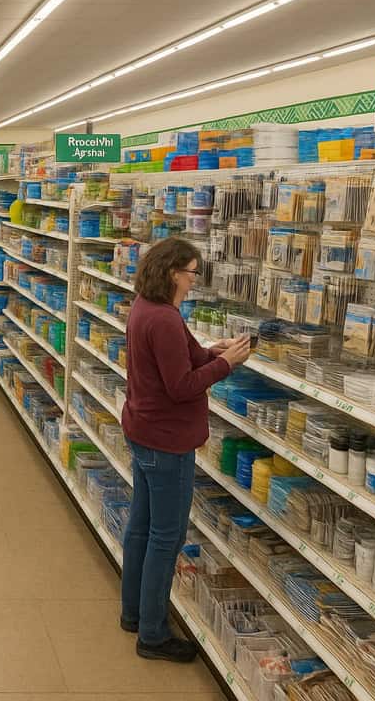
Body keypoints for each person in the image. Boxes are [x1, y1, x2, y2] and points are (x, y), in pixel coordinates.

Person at [119, 237, 251, 662]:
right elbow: (181, 387)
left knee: (141, 528)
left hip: (142, 431)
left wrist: (214, 352)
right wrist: (226, 366)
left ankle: (134, 613)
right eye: (193, 272)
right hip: (167, 442)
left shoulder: (147, 307)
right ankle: (153, 635)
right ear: (174, 272)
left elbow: (184, 355)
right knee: (165, 537)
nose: (195, 281)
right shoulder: (165, 319)